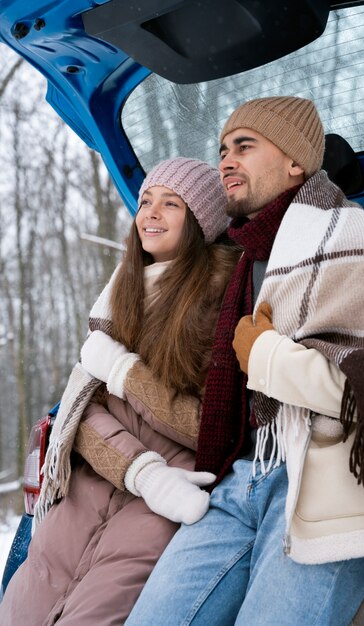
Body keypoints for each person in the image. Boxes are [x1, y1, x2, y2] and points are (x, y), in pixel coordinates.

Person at [126, 97, 364, 626]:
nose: (226, 160)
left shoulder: (361, 242)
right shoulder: (242, 259)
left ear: (296, 163)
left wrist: (265, 356)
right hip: (241, 476)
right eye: (221, 149)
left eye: (245, 146)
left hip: (331, 486)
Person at [0, 157, 240, 625]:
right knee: (23, 607)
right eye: (146, 200)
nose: (150, 212)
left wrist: (122, 370)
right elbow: (78, 410)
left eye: (171, 204)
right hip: (97, 479)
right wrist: (141, 470)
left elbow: (207, 425)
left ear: (201, 222)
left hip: (173, 492)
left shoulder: (221, 302)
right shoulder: (119, 295)